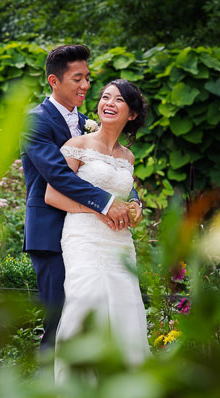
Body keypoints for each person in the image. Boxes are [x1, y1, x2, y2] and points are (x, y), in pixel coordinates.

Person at [21, 45, 142, 352]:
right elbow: (59, 176)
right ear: (54, 81)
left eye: (88, 78)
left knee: (104, 324)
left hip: (100, 235)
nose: (86, 86)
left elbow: (114, 170)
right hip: (53, 233)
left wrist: (133, 202)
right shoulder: (36, 121)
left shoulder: (92, 123)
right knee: (61, 325)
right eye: (78, 79)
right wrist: (105, 204)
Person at [45, 79, 150, 382]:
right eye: (105, 97)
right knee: (85, 305)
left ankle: (124, 396)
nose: (109, 103)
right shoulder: (77, 146)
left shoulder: (128, 157)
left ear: (131, 114)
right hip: (85, 238)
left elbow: (128, 196)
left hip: (119, 243)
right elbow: (52, 194)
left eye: (118, 100)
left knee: (126, 311)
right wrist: (101, 208)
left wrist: (135, 209)